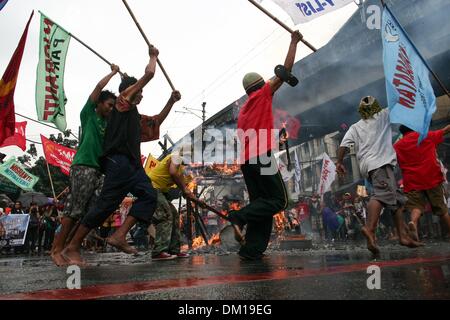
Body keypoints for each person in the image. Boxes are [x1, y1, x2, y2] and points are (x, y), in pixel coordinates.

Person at [63, 46, 181, 266]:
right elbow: (150, 74)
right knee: (105, 206)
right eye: (139, 91)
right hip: (117, 163)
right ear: (128, 91)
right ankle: (72, 246)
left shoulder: (134, 116)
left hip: (133, 167)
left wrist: (171, 102)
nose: (142, 95)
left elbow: (155, 122)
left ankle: (119, 236)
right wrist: (153, 56)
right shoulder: (121, 103)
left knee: (149, 195)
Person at [227, 31, 302, 260]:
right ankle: (239, 217)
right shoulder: (263, 94)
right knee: (280, 200)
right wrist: (294, 41)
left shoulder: (243, 111)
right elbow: (286, 69)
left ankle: (252, 249)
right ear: (260, 84)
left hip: (247, 162)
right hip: (262, 157)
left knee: (263, 203)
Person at [51, 64, 120, 266]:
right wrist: (113, 73)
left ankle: (70, 248)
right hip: (83, 166)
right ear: (98, 104)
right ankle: (56, 250)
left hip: (98, 171)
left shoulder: (109, 125)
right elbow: (98, 87)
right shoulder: (89, 114)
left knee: (92, 212)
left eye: (112, 106)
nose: (110, 108)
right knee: (74, 209)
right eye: (108, 104)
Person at [336, 96, 421, 256]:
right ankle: (370, 229)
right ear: (376, 106)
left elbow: (343, 145)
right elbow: (401, 102)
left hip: (369, 167)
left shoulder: (355, 127)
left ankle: (402, 236)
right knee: (380, 196)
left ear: (361, 110)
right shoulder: (384, 114)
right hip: (381, 164)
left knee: (397, 200)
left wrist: (339, 162)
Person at [393, 124, 450, 241]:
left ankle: (413, 222)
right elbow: (444, 131)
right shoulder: (425, 136)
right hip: (431, 178)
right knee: (442, 210)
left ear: (403, 133)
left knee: (416, 207)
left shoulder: (397, 146)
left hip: (412, 181)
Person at [149, 153, 197, 260]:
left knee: (175, 216)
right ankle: (159, 251)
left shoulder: (181, 168)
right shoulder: (176, 156)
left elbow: (184, 189)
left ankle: (174, 250)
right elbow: (172, 172)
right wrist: (185, 189)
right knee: (166, 216)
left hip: (161, 191)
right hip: (152, 187)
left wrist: (191, 195)